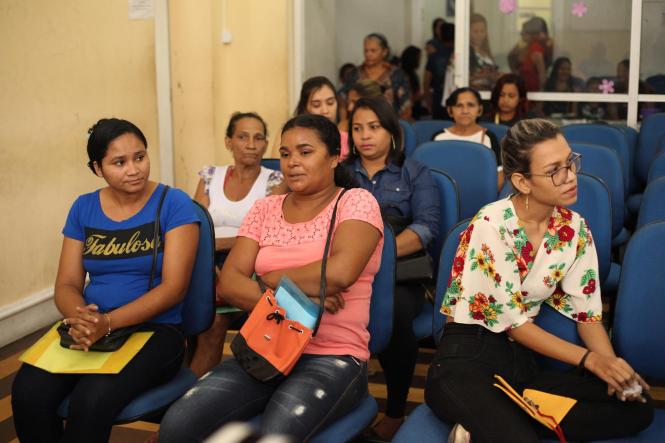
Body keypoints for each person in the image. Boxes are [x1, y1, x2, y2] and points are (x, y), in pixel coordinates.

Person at [158, 114, 384, 443]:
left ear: (335, 157)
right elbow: (230, 283)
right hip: (265, 346)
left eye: (305, 152)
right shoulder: (265, 209)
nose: (292, 162)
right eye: (286, 153)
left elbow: (338, 273)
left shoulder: (356, 202)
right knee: (178, 423)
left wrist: (274, 277)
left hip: (332, 354)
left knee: (277, 433)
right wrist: (296, 299)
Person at [425, 119, 654, 443]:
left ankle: (482, 426)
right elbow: (515, 324)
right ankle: (501, 418)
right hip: (467, 357)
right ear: (522, 181)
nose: (571, 176)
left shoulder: (574, 229)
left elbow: (587, 315)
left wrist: (612, 366)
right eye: (554, 170)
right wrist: (591, 361)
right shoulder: (491, 225)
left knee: (637, 405)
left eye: (571, 162)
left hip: (520, 362)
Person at [11, 118, 200, 443]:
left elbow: (174, 288)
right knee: (27, 392)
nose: (134, 169)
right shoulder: (83, 208)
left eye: (140, 157)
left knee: (91, 399)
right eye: (119, 162)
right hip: (92, 328)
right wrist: (83, 318)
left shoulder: (174, 204)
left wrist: (107, 323)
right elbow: (67, 284)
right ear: (97, 168)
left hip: (155, 332)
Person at [345, 96, 440, 440]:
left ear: (392, 131)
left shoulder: (415, 172)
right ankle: (340, 399)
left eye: (374, 127)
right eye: (357, 128)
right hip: (347, 268)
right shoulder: (341, 173)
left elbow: (427, 227)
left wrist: (378, 259)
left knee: (395, 310)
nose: (365, 136)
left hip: (401, 271)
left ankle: (396, 409)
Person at [189, 112, 287, 377]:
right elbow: (194, 227)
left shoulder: (274, 181)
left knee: (214, 323)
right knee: (182, 318)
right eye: (242, 137)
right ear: (228, 142)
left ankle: (192, 397)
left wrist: (218, 247)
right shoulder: (211, 176)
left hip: (249, 263)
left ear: (266, 144)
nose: (251, 144)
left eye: (258, 138)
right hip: (205, 261)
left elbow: (267, 234)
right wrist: (209, 257)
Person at [433, 87, 503, 188]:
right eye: (459, 105)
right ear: (450, 110)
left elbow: (499, 175)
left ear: (480, 109)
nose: (465, 111)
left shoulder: (489, 137)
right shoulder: (439, 138)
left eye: (471, 105)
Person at [273, 76, 350, 160]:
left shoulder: (345, 139)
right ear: (305, 108)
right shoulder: (287, 135)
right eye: (316, 105)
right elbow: (276, 168)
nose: (325, 110)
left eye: (330, 103)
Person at [344, 33, 412, 119]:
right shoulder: (354, 74)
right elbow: (343, 99)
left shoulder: (397, 75)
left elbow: (406, 106)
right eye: (366, 51)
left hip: (391, 125)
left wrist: (396, 127)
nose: (368, 54)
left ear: (384, 52)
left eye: (373, 51)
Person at [509, 17, 549, 93]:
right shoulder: (525, 47)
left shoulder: (535, 48)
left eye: (524, 32)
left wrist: (540, 96)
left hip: (533, 91)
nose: (521, 34)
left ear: (531, 34)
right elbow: (511, 59)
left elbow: (542, 75)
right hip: (522, 88)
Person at [425, 22, 455, 119]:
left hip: (438, 98)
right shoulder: (461, 54)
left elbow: (426, 81)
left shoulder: (434, 56)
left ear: (440, 36)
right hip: (457, 97)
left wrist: (428, 103)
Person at [469, 14, 499, 91]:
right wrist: (484, 75)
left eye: (482, 31)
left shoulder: (486, 53)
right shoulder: (466, 54)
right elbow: (460, 78)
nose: (479, 35)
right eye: (475, 31)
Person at [400, 45, 429, 120]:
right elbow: (408, 97)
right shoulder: (404, 75)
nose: (419, 61)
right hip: (409, 111)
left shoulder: (412, 73)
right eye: (418, 58)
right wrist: (424, 95)